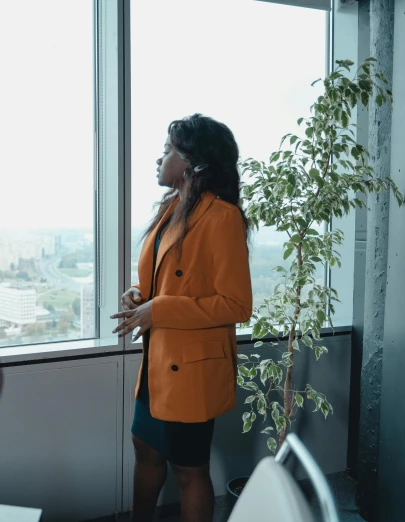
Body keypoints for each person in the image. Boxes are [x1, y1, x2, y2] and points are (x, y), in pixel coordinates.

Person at [112, 114, 252, 522]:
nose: (160, 157)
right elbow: (168, 282)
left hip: (188, 369)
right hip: (157, 364)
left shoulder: (222, 217)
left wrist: (159, 309)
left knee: (190, 472)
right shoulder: (171, 209)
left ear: (193, 164)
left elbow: (235, 304)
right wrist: (140, 297)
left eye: (169, 149)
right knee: (146, 450)